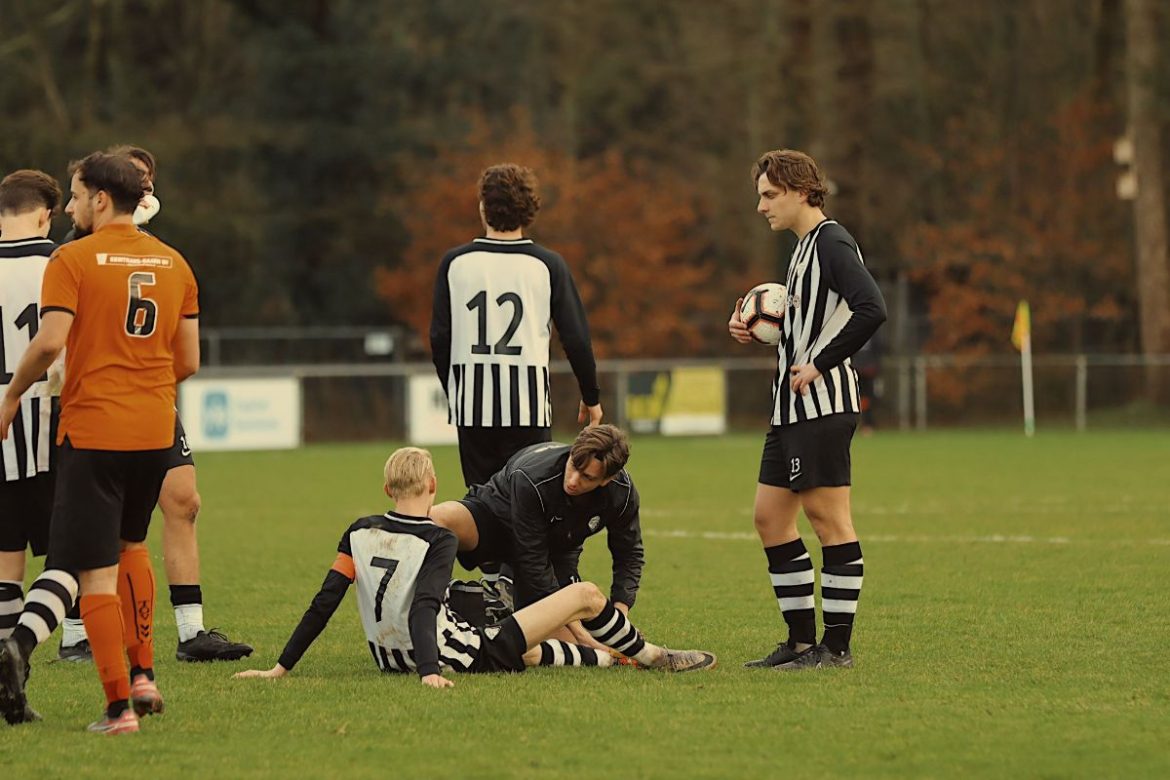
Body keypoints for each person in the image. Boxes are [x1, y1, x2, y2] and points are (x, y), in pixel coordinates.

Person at [0, 150, 201, 733]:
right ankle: (145, 676)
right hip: (154, 427)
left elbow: (47, 342)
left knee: (93, 569)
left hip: (94, 430)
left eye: (77, 194)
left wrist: (14, 393)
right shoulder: (175, 262)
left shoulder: (74, 258)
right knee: (132, 545)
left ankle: (118, 708)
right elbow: (187, 359)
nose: (72, 205)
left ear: (101, 199)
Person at [233, 447, 713, 684]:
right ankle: (653, 655)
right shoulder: (440, 537)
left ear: (386, 491)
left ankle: (607, 656)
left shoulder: (357, 531)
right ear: (434, 483)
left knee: (530, 650)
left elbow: (324, 602)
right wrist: (428, 672)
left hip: (388, 659)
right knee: (586, 596)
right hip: (453, 654)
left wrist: (280, 668)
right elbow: (424, 606)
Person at [55, 145, 252, 665]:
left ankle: (190, 632)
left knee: (183, 500)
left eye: (147, 182)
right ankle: (78, 630)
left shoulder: (161, 256)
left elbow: (183, 349)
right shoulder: (77, 248)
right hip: (97, 401)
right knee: (105, 522)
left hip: (152, 395)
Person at [728, 149, 886, 670]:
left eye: (769, 195)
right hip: (789, 410)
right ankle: (799, 644)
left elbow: (872, 309)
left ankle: (835, 649)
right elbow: (809, 329)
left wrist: (819, 362)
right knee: (770, 518)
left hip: (822, 406)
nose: (761, 206)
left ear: (801, 191)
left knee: (830, 522)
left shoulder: (832, 242)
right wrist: (757, 335)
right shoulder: (799, 252)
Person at [430, 162, 602, 489]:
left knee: (481, 504)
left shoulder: (455, 263)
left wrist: (456, 391)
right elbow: (576, 339)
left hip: (473, 408)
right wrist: (590, 396)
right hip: (528, 406)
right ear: (529, 208)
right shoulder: (547, 264)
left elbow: (440, 338)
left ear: (484, 207)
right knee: (528, 502)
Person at [429, 424, 642, 649]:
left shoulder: (622, 494)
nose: (573, 480)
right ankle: (423, 607)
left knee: (570, 637)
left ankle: (500, 604)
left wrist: (620, 620)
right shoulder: (533, 478)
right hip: (496, 521)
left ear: (606, 480)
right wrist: (581, 634)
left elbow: (629, 553)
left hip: (554, 550)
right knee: (439, 517)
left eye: (587, 477)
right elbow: (533, 562)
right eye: (573, 466)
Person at [0, 170, 79, 725]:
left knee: (6, 562)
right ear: (46, 214)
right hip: (50, 423)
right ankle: (19, 650)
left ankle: (11, 693)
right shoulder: (63, 265)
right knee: (73, 558)